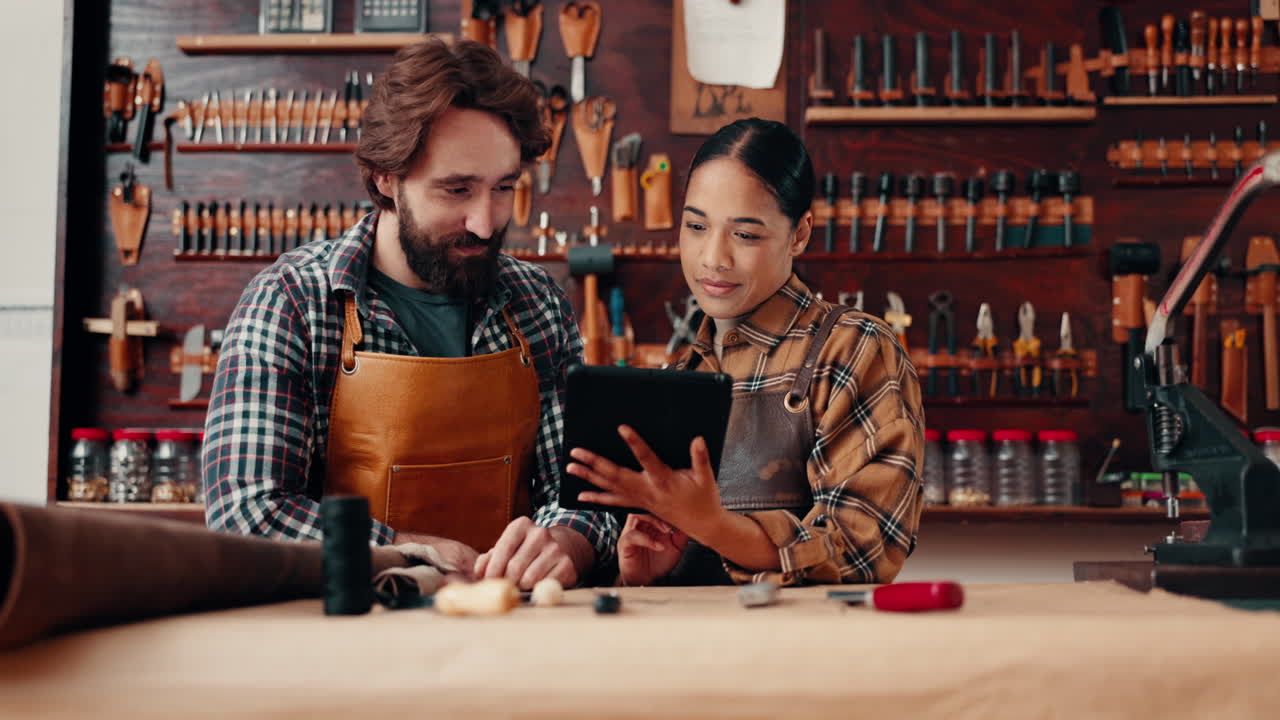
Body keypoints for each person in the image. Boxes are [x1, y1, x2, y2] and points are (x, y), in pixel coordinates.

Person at [202, 39, 617, 590]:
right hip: (345, 637)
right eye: (457, 189)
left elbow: (588, 497)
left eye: (504, 189)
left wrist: (566, 543)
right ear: (384, 177)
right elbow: (245, 516)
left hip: (512, 634)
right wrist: (401, 550)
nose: (485, 223)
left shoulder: (537, 304)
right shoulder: (294, 303)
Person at [566, 119, 924, 586]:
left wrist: (713, 527)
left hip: (803, 654)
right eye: (696, 225)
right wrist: (645, 573)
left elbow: (864, 548)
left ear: (799, 234)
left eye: (746, 235)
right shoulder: (678, 373)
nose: (713, 256)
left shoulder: (854, 349)